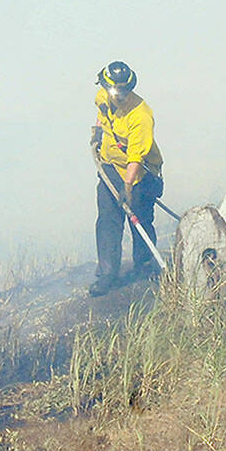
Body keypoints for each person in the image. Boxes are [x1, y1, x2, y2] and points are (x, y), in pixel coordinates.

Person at [89, 61, 164, 297]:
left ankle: (144, 267)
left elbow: (136, 157)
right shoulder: (102, 96)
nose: (119, 95)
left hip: (140, 174)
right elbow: (102, 112)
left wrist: (128, 187)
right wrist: (98, 132)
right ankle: (107, 275)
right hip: (111, 167)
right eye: (115, 90)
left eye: (124, 90)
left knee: (139, 219)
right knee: (107, 219)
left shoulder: (140, 115)